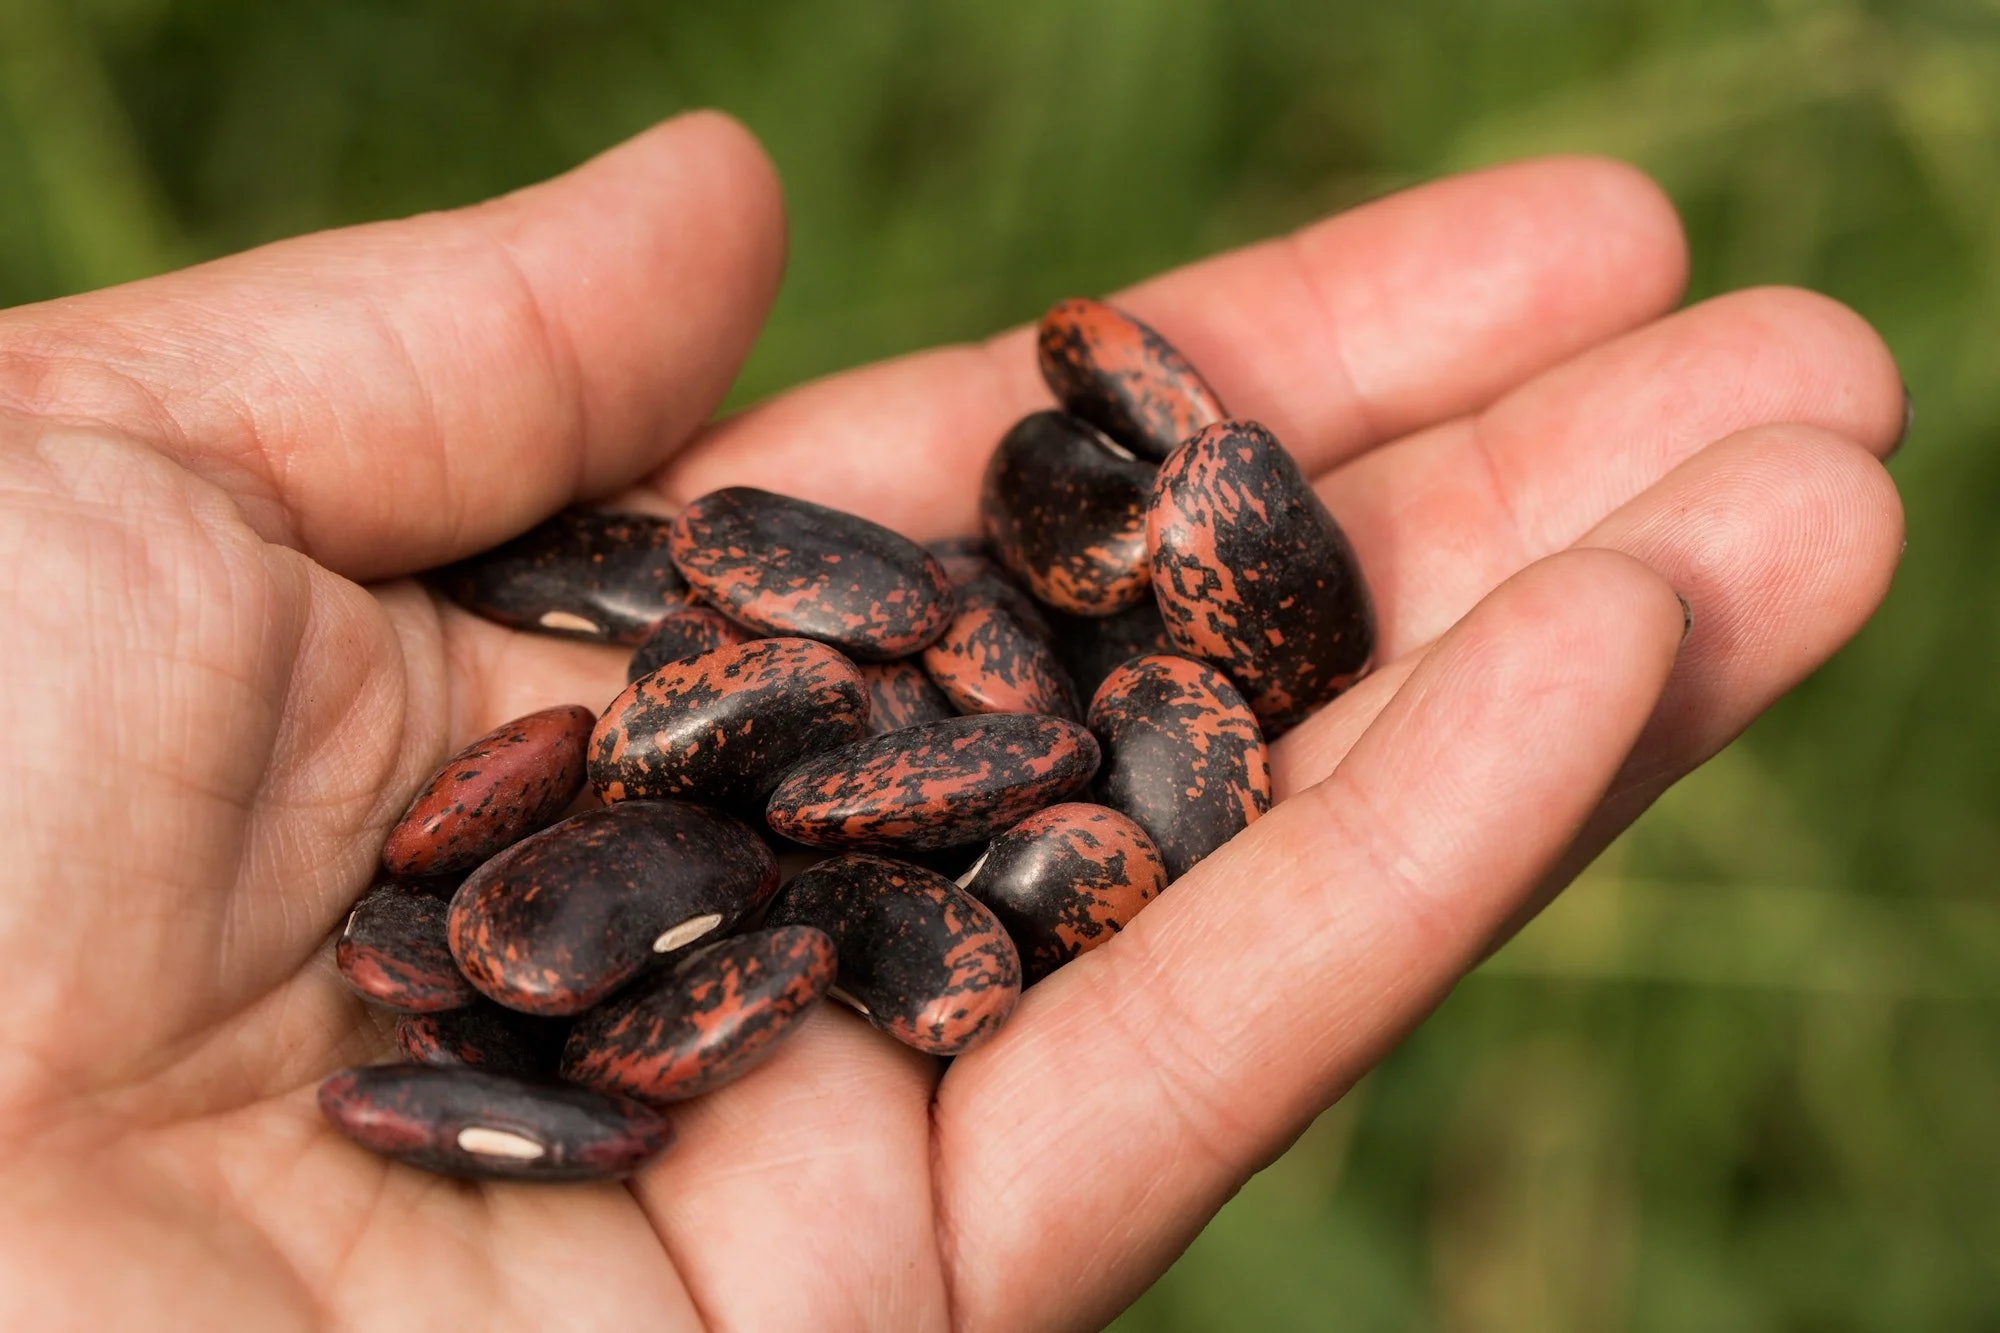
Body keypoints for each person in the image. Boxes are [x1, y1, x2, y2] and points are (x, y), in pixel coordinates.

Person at [0, 112, 1906, 1330]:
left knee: (1093, 722)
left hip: (908, 784)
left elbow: (1006, 733)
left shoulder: (966, 714)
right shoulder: (554, 890)